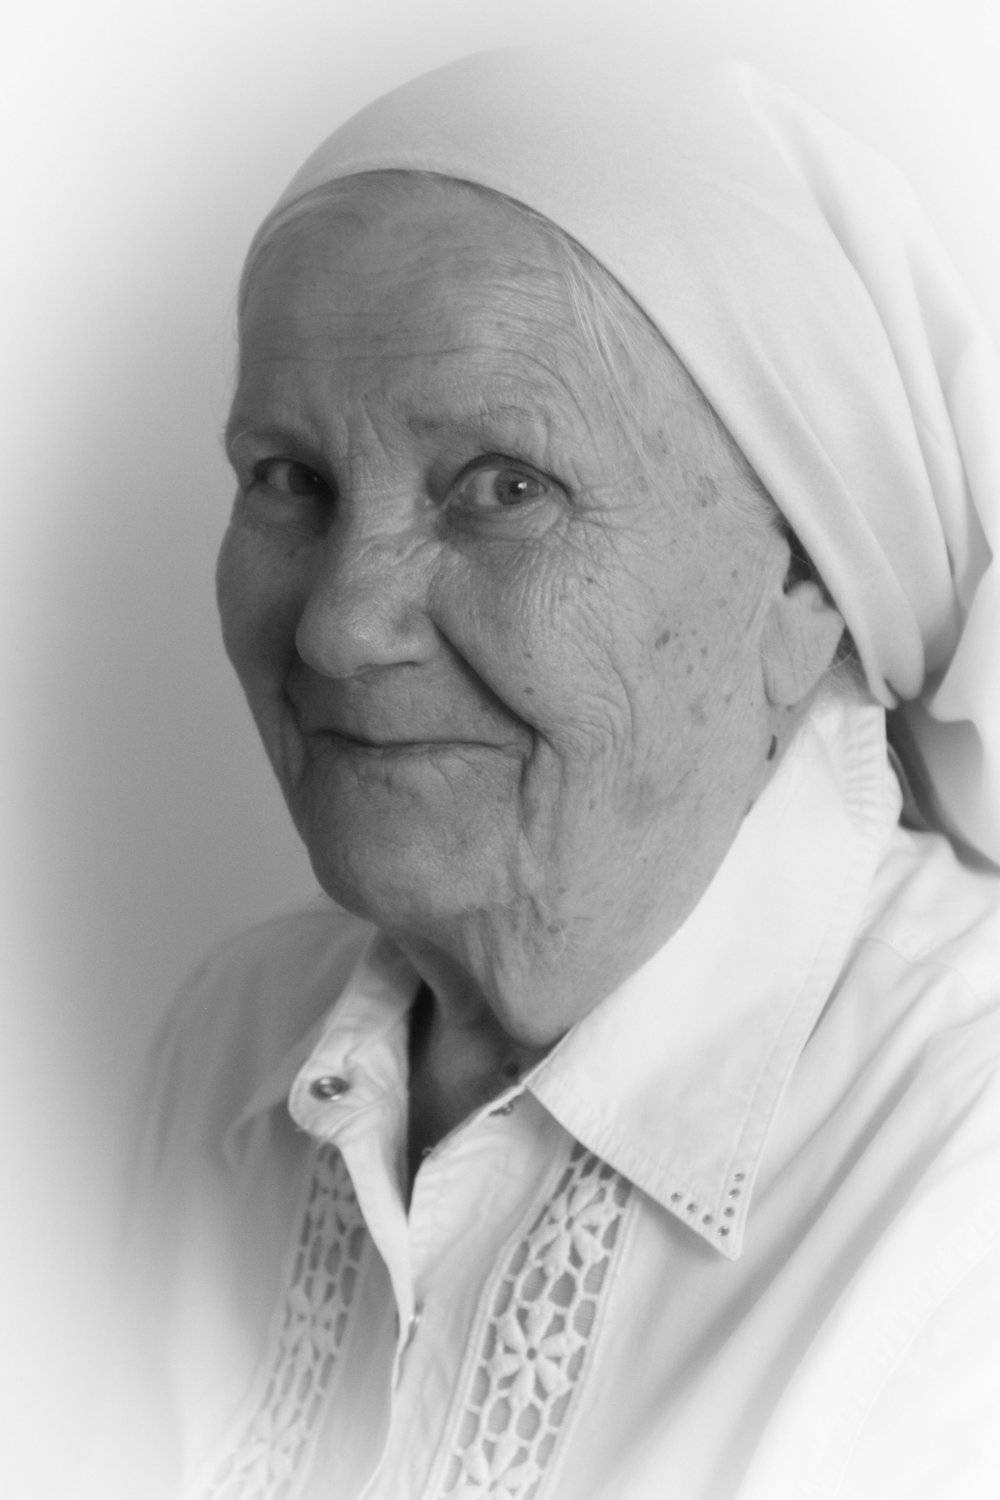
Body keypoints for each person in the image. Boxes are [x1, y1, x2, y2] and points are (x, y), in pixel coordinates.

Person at [113, 46, 1000, 1500]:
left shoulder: (968, 1173)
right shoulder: (226, 1046)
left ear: (805, 585)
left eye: (505, 488)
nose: (339, 626)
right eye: (287, 477)